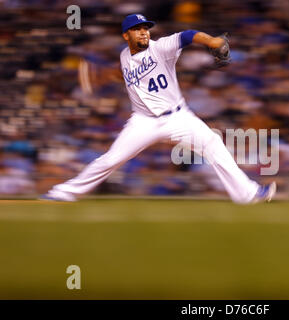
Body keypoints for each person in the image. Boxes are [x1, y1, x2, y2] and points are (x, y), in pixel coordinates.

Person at [41, 14, 276, 203]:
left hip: (178, 117)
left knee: (214, 144)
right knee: (111, 159)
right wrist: (100, 76)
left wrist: (212, 41)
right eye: (137, 28)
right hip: (143, 122)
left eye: (145, 27)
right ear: (126, 35)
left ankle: (247, 194)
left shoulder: (160, 47)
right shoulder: (124, 56)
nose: (144, 31)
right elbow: (121, 72)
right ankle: (63, 193)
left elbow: (188, 35)